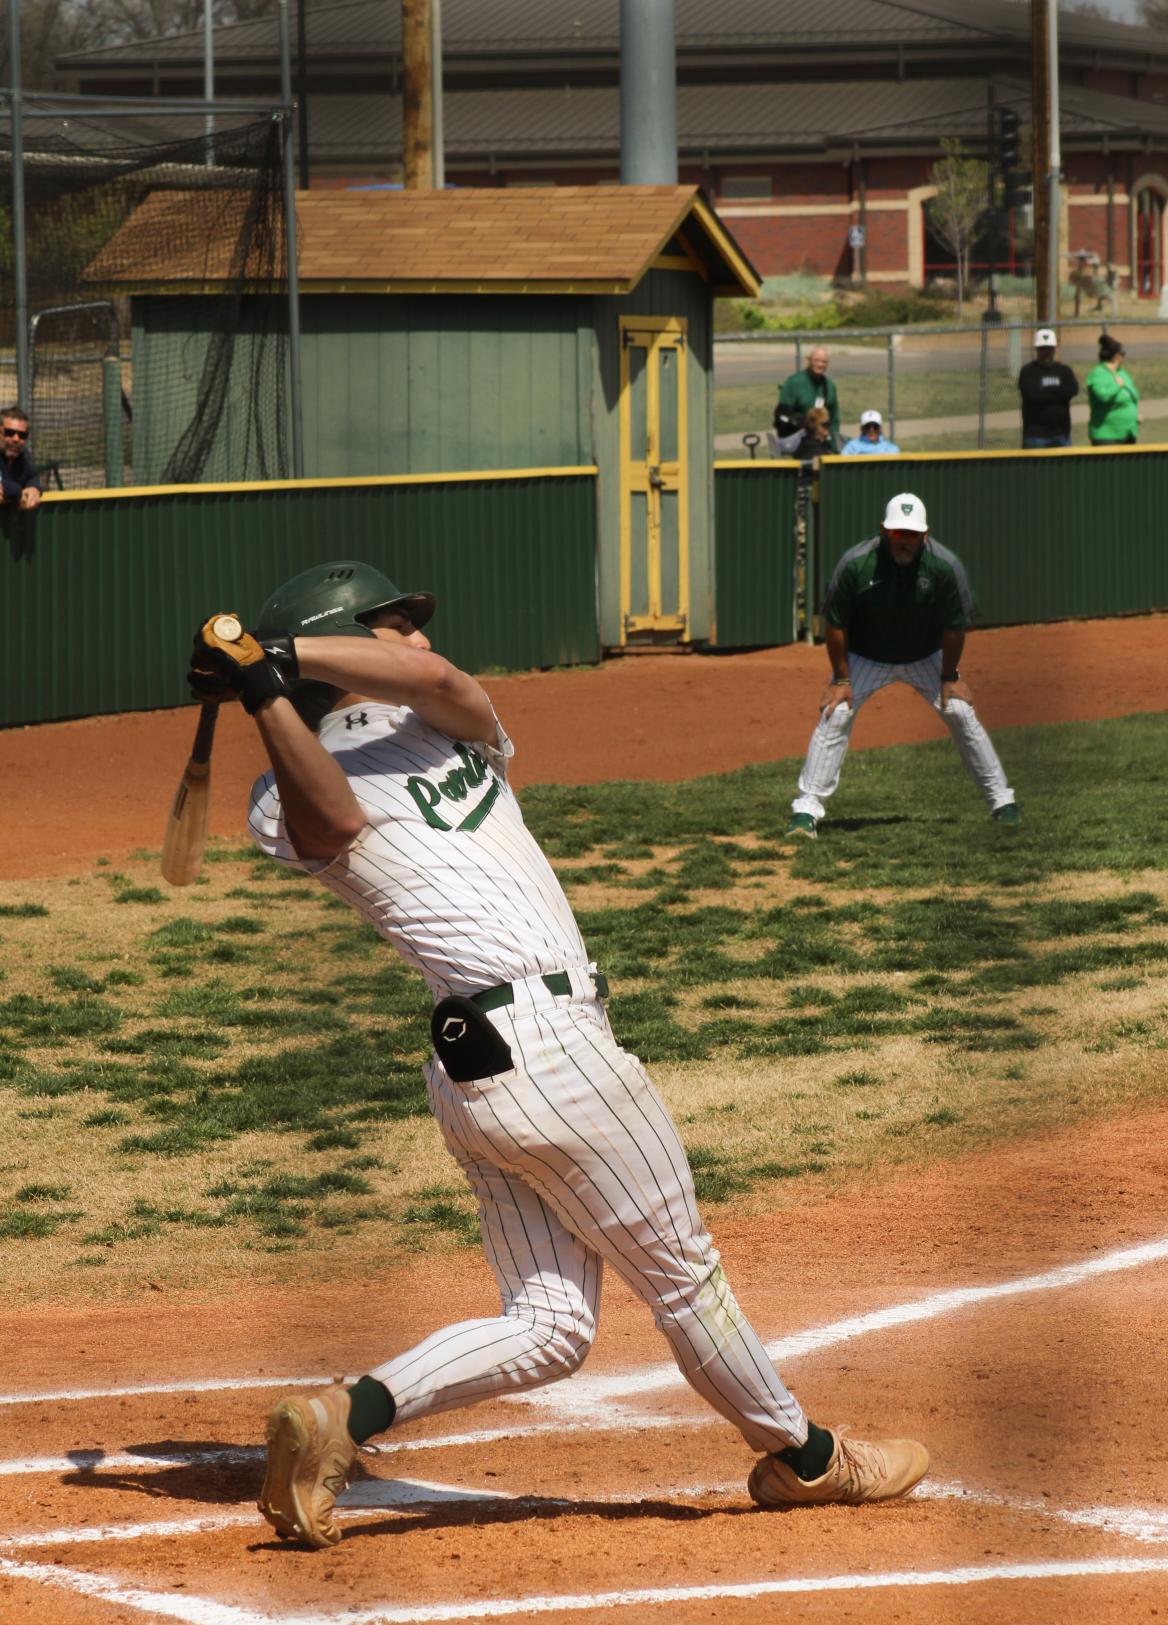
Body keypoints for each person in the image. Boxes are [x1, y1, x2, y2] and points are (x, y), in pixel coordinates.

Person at [184, 560, 931, 1550]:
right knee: (682, 1275)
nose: (415, 638)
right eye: (393, 624)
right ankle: (805, 1458)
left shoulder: (439, 720)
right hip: (551, 1055)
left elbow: (445, 684)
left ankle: (339, 1419)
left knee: (550, 1328)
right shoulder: (285, 793)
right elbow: (334, 821)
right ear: (343, 638)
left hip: (482, 1073)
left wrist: (278, 657)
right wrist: (267, 695)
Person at [788, 493, 1018, 839]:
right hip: (867, 655)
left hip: (925, 655)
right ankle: (806, 810)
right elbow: (835, 624)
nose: (905, 541)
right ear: (884, 530)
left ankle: (1002, 803)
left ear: (925, 535)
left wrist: (950, 676)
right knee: (835, 713)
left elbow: (955, 627)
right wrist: (840, 678)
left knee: (959, 711)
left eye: (912, 534)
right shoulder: (856, 563)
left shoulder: (944, 566)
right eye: (898, 533)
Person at [1016, 329, 1079, 450]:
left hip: (1062, 434)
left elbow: (1072, 390)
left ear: (1055, 349)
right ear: (1036, 349)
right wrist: (1059, 392)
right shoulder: (1027, 371)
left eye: (1049, 348)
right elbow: (1032, 395)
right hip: (1035, 436)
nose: (1046, 352)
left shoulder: (1064, 370)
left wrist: (1044, 390)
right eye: (1043, 348)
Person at [775, 344, 841, 448]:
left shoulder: (830, 387)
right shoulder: (794, 383)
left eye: (824, 362)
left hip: (822, 441)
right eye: (816, 360)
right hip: (796, 440)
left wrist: (832, 443)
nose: (820, 365)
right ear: (808, 360)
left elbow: (834, 420)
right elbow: (781, 416)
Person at [1086, 333, 1139, 446]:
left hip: (1128, 433)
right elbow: (1103, 396)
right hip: (1107, 436)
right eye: (1123, 353)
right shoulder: (1098, 373)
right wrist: (1117, 386)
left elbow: (1132, 396)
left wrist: (1134, 416)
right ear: (1116, 356)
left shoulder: (1122, 373)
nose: (1124, 356)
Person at [0, 407, 43, 511]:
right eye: (9, 433)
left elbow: (33, 477)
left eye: (22, 435)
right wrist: (19, 493)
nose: (16, 439)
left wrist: (34, 488)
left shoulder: (22, 457)